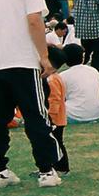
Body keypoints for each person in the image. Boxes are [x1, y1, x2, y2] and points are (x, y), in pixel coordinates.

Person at [0, 0, 63, 189]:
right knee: (37, 117)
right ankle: (46, 170)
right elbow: (34, 21)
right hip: (23, 62)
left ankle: (0, 170)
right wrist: (44, 56)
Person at [59, 43, 99, 123]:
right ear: (82, 58)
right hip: (96, 114)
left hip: (73, 115)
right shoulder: (93, 71)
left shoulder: (63, 76)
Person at [44, 46, 69, 175]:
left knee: (56, 143)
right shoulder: (57, 77)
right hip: (59, 118)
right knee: (55, 142)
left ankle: (62, 167)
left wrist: (50, 117)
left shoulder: (51, 80)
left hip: (55, 119)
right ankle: (53, 166)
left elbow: (54, 100)